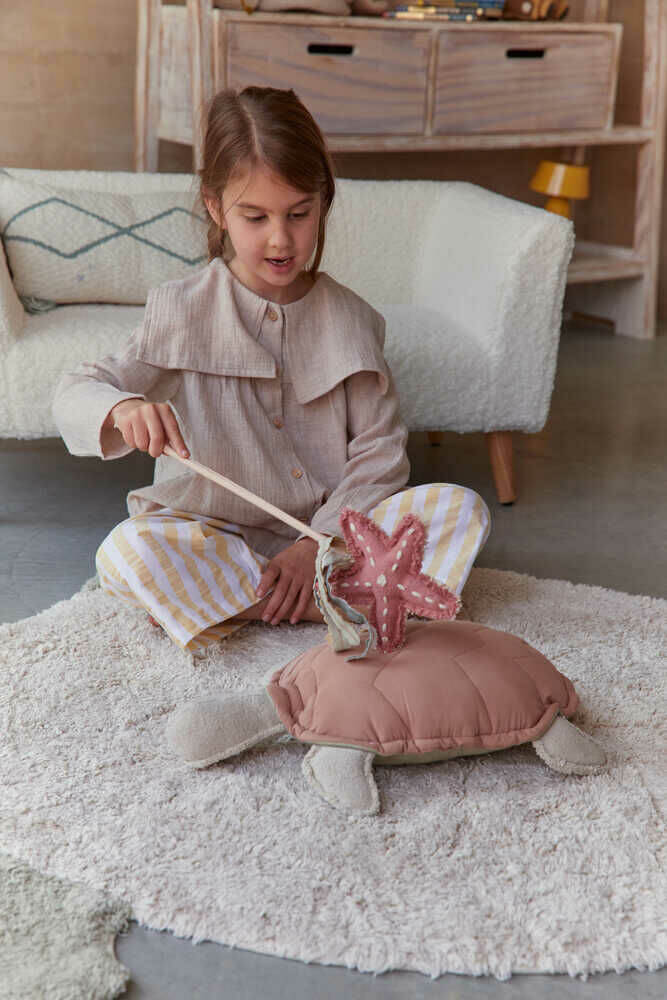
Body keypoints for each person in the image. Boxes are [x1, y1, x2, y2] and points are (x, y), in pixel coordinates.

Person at [52, 86, 491, 653]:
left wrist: (317, 545)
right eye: (255, 217)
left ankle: (247, 602)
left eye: (299, 214)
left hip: (332, 543)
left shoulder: (352, 319)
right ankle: (325, 603)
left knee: (461, 509)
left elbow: (381, 454)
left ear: (323, 203)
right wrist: (123, 407)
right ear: (216, 208)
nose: (280, 239)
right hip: (217, 538)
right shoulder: (181, 309)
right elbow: (75, 390)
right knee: (125, 552)